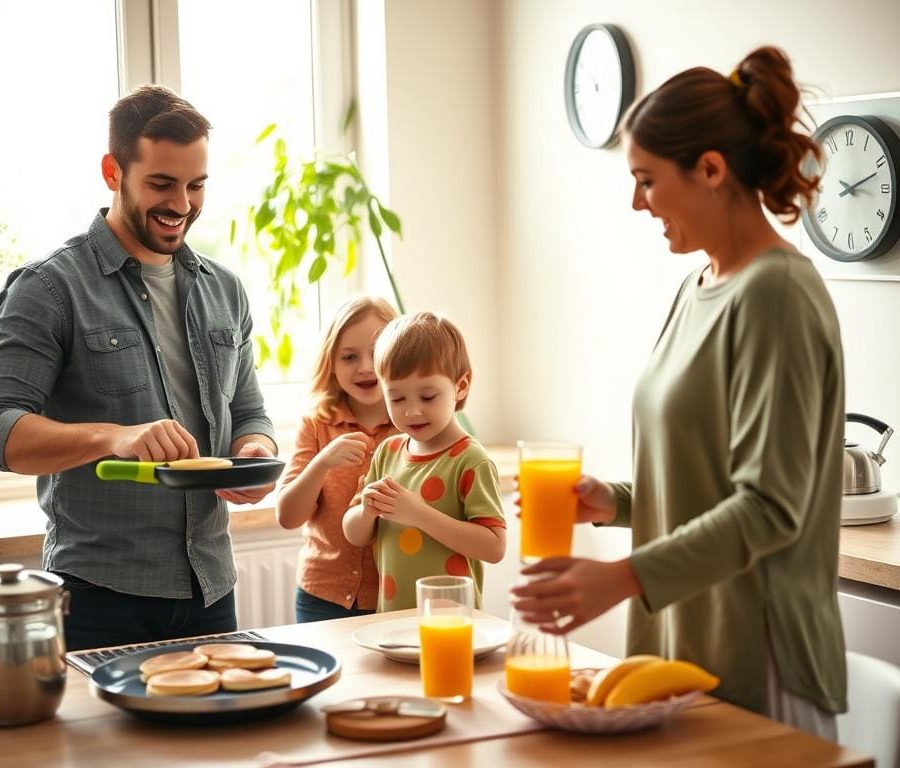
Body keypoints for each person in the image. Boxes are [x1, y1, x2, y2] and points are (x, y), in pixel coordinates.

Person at [510, 46, 846, 738]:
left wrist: (619, 577)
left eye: (647, 180)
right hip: (679, 643)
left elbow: (768, 507)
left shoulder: (776, 293)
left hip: (759, 655)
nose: (637, 202)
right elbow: (708, 481)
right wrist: (618, 503)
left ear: (712, 170)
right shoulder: (697, 290)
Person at [0, 85, 278, 651]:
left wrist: (253, 451)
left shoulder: (226, 291)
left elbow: (248, 411)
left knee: (218, 740)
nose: (181, 204)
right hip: (98, 597)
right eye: (162, 183)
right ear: (114, 171)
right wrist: (116, 436)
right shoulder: (49, 289)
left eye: (196, 184)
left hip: (211, 589)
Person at [343, 311, 506, 611]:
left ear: (461, 386)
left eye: (428, 396)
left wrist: (418, 514)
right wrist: (366, 511)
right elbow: (354, 534)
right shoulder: (388, 451)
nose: (412, 412)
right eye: (397, 399)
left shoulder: (470, 460)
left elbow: (494, 547)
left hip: (452, 624)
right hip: (390, 622)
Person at [276, 294, 399, 623]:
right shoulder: (317, 424)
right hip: (321, 596)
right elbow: (288, 516)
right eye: (348, 357)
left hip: (395, 596)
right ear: (331, 362)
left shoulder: (416, 427)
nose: (364, 367)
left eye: (376, 354)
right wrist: (322, 463)